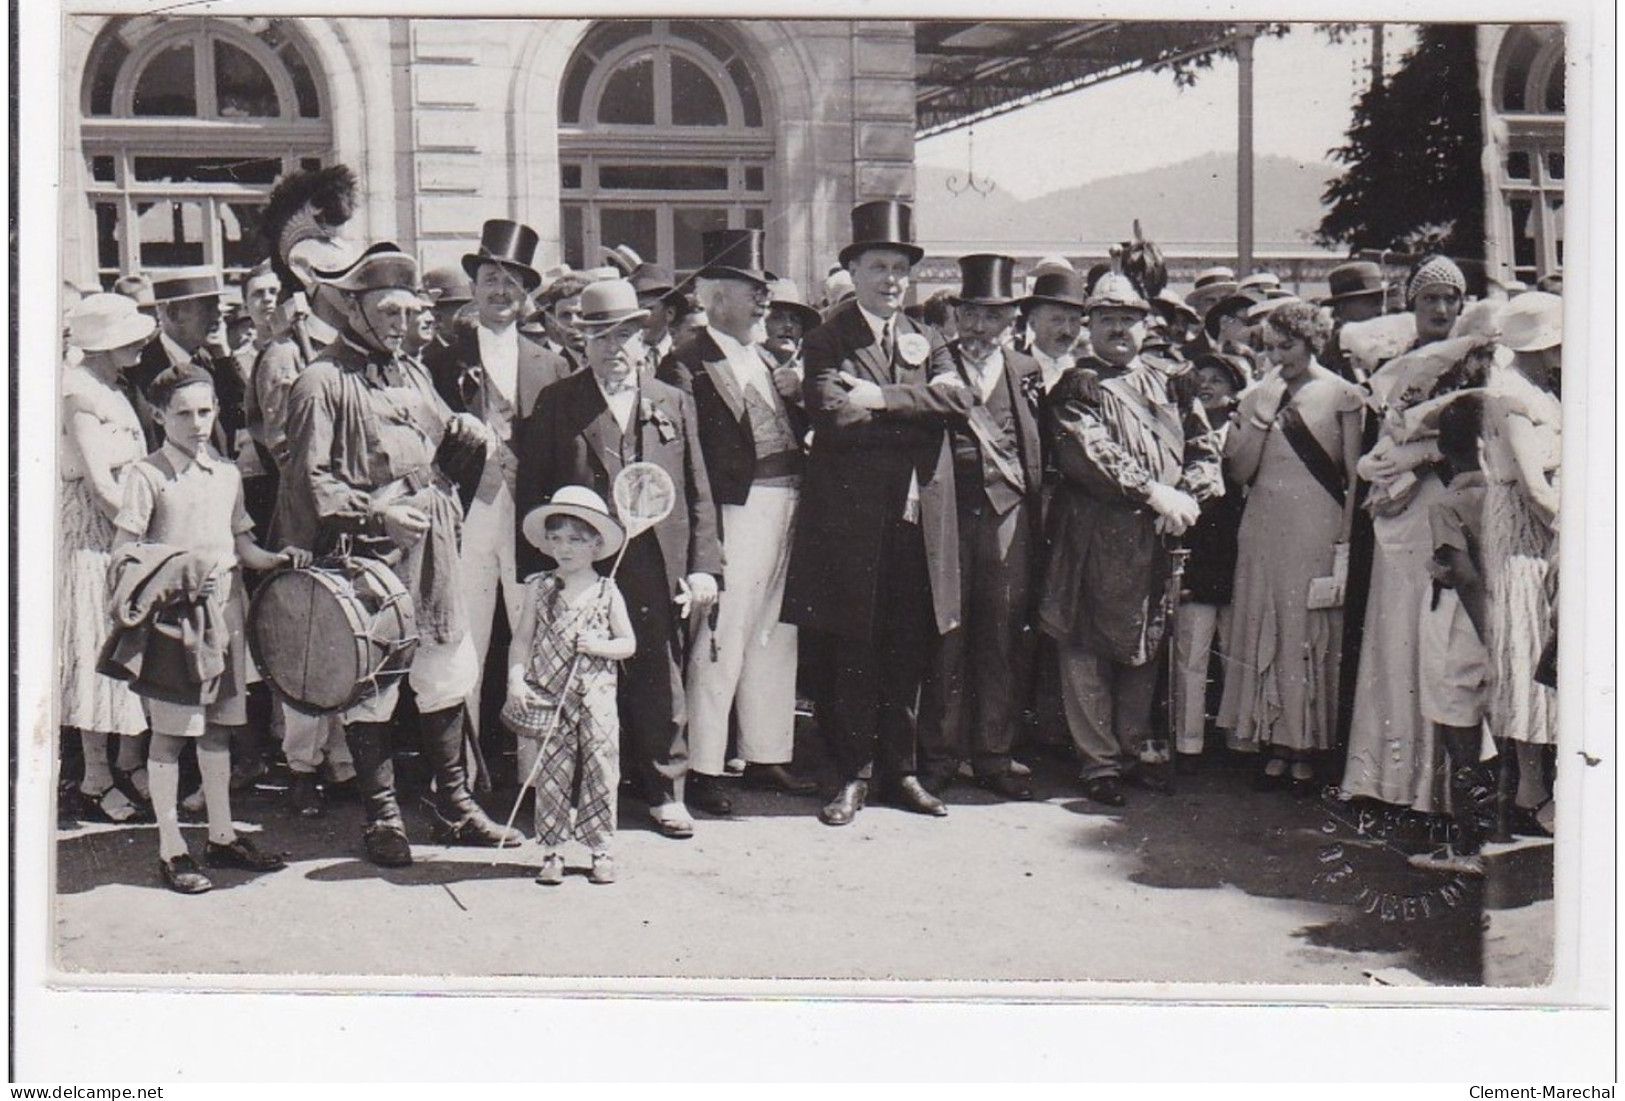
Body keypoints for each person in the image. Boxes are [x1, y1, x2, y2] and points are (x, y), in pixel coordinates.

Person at [281, 242, 522, 866]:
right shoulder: (320, 382)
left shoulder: (413, 371)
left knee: (443, 671)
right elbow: (310, 481)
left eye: (406, 311)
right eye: (387, 311)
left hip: (434, 547)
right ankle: (383, 818)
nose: (400, 323)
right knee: (373, 685)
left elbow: (443, 436)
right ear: (353, 309)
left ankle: (456, 805)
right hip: (367, 556)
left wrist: (466, 439)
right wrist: (376, 512)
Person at [784, 200, 974, 826]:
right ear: (855, 271)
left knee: (909, 649)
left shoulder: (930, 334)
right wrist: (916, 413)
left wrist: (885, 399)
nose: (892, 280)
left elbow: (960, 403)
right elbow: (834, 417)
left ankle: (902, 771)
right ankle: (852, 775)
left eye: (900, 268)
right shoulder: (828, 337)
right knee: (853, 650)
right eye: (879, 267)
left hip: (920, 524)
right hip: (854, 528)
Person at [514, 278, 723, 840]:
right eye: (599, 337)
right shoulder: (559, 403)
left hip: (656, 561)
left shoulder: (672, 400)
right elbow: (531, 487)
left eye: (625, 334)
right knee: (579, 672)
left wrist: (705, 566)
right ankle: (580, 792)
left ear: (643, 336)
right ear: (582, 342)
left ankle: (665, 790)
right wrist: (535, 566)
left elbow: (698, 488)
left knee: (659, 670)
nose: (613, 348)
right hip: (580, 562)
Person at [108, 363, 297, 893]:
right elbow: (124, 554)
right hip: (176, 623)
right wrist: (182, 577)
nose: (196, 423)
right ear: (158, 414)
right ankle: (172, 848)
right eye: (184, 413)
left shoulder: (227, 473)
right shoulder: (147, 475)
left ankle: (220, 835)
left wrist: (275, 559)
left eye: (205, 410)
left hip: (226, 618)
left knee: (218, 730)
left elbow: (242, 548)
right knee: (170, 736)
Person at [1038, 274, 1223, 807]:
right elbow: (1091, 453)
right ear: (1089, 326)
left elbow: (1204, 449)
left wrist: (1187, 499)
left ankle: (1130, 748)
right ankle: (1098, 763)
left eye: (1129, 318)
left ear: (1147, 324)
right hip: (1095, 533)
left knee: (1146, 642)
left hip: (1161, 536)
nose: (1119, 328)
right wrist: (1155, 495)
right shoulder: (1077, 387)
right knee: (1087, 642)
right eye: (1107, 319)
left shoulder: (1172, 382)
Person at [656, 230, 816, 813]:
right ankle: (705, 764)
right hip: (735, 512)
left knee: (776, 632)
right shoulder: (687, 363)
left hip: (786, 503)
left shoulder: (767, 358)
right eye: (751, 291)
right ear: (713, 296)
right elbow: (687, 455)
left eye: (763, 292)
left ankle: (768, 752)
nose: (763, 303)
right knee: (722, 636)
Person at [425, 219, 573, 750]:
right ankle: (460, 773)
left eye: (512, 281)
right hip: (467, 517)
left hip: (527, 520)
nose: (500, 290)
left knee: (532, 640)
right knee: (463, 641)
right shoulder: (441, 358)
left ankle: (535, 772)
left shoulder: (552, 364)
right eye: (490, 277)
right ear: (473, 286)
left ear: (527, 293)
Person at [1218, 302, 1365, 794]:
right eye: (1272, 348)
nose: (1280, 357)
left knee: (1307, 630)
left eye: (1290, 346)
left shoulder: (1342, 394)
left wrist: (1344, 538)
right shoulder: (1258, 393)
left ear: (1313, 341)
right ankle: (1272, 740)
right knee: (1267, 623)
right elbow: (1238, 473)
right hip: (1262, 524)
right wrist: (1260, 414)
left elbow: (1351, 478)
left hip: (1316, 526)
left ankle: (1305, 744)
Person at [1339, 257, 1468, 814]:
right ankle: (1385, 780)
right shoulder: (1392, 365)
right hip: (1396, 519)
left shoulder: (1474, 365)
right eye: (1429, 300)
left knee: (1442, 643)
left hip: (1448, 508)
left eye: (1450, 300)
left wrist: (1423, 463)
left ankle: (1439, 791)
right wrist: (1387, 471)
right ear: (1411, 306)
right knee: (1393, 637)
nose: (1440, 310)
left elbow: (1474, 443)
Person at [917, 254, 1045, 801]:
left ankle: (993, 753)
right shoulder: (934, 363)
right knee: (947, 635)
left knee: (999, 637)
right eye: (971, 315)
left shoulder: (1025, 370)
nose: (980, 329)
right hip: (947, 515)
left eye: (993, 317)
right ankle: (940, 756)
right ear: (957, 314)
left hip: (1005, 518)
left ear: (1011, 321)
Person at [59, 293, 159, 823]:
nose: (140, 342)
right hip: (96, 535)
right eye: (128, 335)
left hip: (123, 528)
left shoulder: (113, 389)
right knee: (97, 646)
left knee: (128, 644)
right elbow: (100, 484)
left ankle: (126, 764)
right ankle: (94, 777)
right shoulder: (78, 393)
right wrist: (148, 524)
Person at [509, 488, 635, 886]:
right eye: (556, 538)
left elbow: (628, 643)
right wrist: (515, 677)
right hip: (549, 695)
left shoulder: (607, 590)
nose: (564, 548)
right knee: (551, 770)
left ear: (597, 544)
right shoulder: (540, 586)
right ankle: (552, 850)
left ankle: (601, 849)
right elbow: (522, 639)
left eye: (576, 540)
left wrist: (601, 646)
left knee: (600, 767)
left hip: (595, 697)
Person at [1482, 291, 1562, 836]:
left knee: (1543, 640)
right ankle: (1530, 791)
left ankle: (1537, 784)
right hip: (1525, 531)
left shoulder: (1538, 389)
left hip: (1542, 528)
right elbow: (1534, 486)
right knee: (1528, 644)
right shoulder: (1512, 395)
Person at [1410, 392, 1492, 872]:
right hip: (1499, 614)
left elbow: (1463, 575)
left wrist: (1488, 634)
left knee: (1458, 736)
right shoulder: (1506, 497)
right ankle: (1492, 833)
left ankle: (1466, 845)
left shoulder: (1448, 504)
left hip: (1462, 621)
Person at [1169, 352, 1249, 771]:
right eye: (1202, 377)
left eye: (1219, 380)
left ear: (1236, 391)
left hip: (1237, 558)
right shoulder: (1183, 431)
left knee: (1236, 655)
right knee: (1191, 656)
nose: (1207, 385)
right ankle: (1188, 744)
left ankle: (1239, 741)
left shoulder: (1245, 434)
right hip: (1197, 557)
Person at [1319, 261, 1389, 383]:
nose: (1380, 310)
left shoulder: (1385, 344)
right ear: (1341, 307)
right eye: (1369, 302)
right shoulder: (1338, 351)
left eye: (1381, 301)